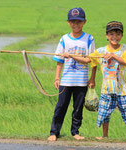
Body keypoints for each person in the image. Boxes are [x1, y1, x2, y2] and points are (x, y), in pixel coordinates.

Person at [73, 21, 126, 140]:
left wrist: (113, 56)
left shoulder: (124, 48)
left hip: (121, 88)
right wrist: (71, 56)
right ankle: (105, 136)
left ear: (122, 36)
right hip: (106, 88)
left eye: (118, 34)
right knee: (105, 112)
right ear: (107, 36)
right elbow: (88, 60)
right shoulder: (101, 51)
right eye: (112, 34)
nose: (115, 37)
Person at [47, 7, 96, 141]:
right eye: (73, 22)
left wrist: (92, 78)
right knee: (60, 107)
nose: (76, 24)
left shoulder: (89, 39)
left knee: (78, 108)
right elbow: (59, 61)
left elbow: (89, 60)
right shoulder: (64, 39)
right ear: (68, 22)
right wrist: (57, 77)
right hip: (66, 81)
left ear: (84, 22)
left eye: (79, 22)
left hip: (81, 81)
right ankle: (54, 132)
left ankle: (75, 132)